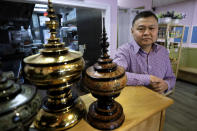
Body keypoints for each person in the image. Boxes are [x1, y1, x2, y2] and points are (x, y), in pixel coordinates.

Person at [114, 11, 176, 94]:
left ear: (157, 30)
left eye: (151, 28)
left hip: (158, 101)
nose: (146, 33)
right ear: (132, 31)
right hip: (133, 102)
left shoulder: (163, 51)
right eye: (141, 29)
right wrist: (148, 79)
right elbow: (116, 75)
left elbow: (171, 77)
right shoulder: (124, 51)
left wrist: (166, 84)